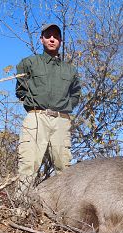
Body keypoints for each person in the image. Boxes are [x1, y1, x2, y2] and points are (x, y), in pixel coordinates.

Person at [15, 23, 81, 194]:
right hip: (36, 117)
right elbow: (20, 89)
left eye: (56, 36)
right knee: (28, 164)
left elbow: (76, 94)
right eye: (48, 35)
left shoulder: (70, 70)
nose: (52, 39)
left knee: (64, 168)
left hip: (61, 121)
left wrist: (65, 108)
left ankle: (64, 215)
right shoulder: (29, 63)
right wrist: (32, 103)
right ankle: (21, 208)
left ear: (60, 40)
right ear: (42, 39)